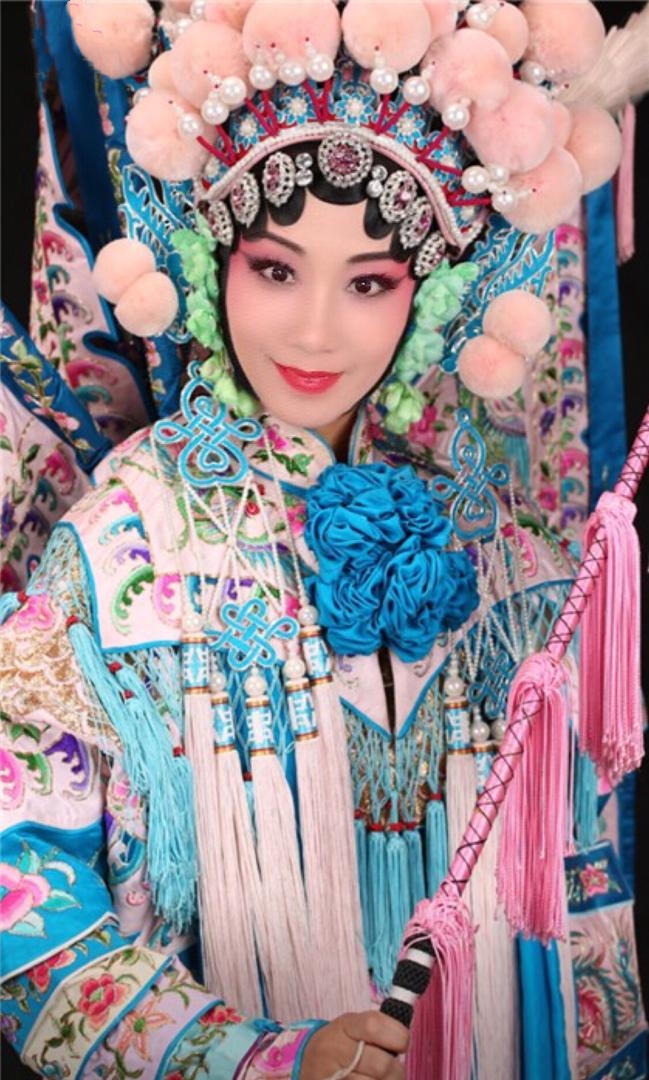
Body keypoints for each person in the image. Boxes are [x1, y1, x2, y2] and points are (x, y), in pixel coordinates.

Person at [1, 1, 647, 1078]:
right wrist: (255, 1061)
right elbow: (19, 899)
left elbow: (586, 921)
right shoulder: (125, 545)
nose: (312, 331)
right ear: (211, 262)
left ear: (431, 294)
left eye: (368, 283)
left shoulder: (508, 562)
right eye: (275, 268)